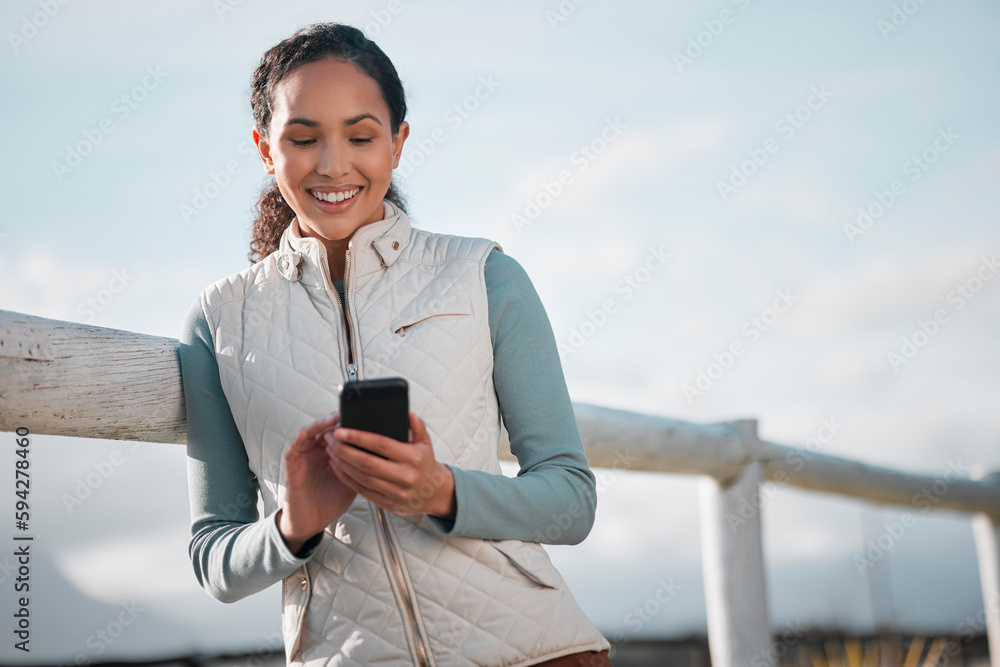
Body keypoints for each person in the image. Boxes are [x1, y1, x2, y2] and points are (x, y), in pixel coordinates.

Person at [179, 22, 612, 667]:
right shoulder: (219, 321)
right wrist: (291, 526)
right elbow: (214, 560)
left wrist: (440, 492)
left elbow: (571, 501)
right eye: (303, 139)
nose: (333, 164)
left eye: (361, 136)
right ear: (265, 151)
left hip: (537, 653)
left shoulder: (485, 277)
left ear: (398, 143)